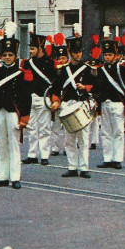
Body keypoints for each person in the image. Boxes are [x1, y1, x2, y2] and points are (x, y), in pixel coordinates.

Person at [0, 22, 34, 188]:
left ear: (15, 55)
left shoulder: (21, 73)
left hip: (14, 113)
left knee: (14, 145)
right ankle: (3, 176)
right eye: (5, 55)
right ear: (1, 55)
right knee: (2, 144)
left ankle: (15, 177)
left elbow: (26, 97)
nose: (7, 57)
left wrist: (24, 117)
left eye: (10, 55)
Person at [49, 35, 94, 178]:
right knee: (69, 139)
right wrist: (55, 101)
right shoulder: (63, 70)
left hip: (82, 104)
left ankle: (84, 167)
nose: (78, 54)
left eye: (80, 51)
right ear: (70, 52)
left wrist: (85, 87)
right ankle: (72, 166)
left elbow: (96, 86)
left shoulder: (87, 69)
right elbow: (55, 88)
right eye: (75, 52)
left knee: (84, 138)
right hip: (68, 105)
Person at [90, 34, 125, 169]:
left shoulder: (122, 69)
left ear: (115, 55)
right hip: (105, 104)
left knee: (118, 132)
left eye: (110, 55)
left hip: (117, 103)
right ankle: (107, 158)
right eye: (106, 55)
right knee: (106, 132)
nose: (108, 57)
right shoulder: (100, 70)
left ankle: (117, 158)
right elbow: (97, 87)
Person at [23, 31, 56, 166]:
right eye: (30, 48)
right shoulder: (27, 63)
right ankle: (32, 154)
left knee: (44, 128)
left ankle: (44, 155)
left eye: (33, 48)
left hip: (43, 97)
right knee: (31, 128)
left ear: (40, 49)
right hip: (31, 97)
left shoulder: (50, 63)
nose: (30, 51)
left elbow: (54, 82)